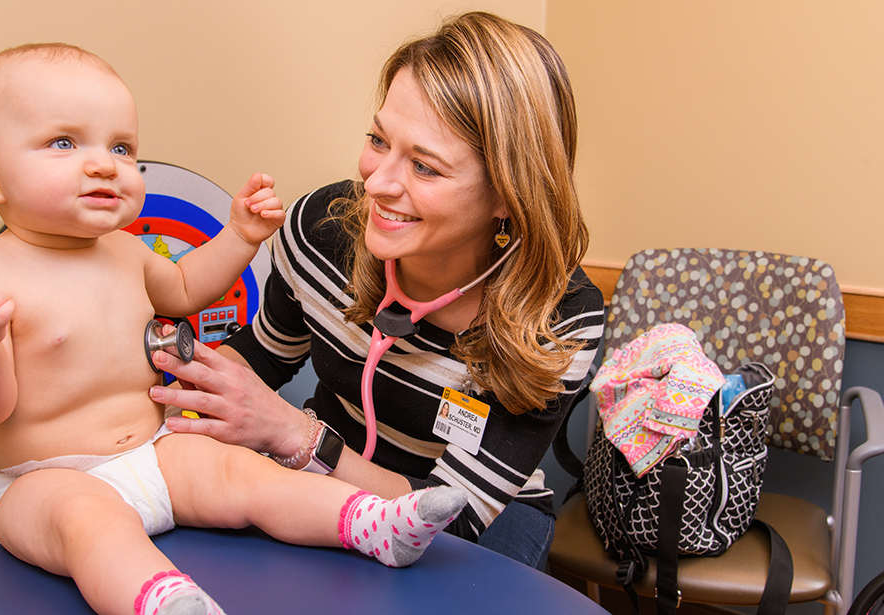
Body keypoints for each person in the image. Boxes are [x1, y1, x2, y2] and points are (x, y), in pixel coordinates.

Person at [0, 43, 466, 615]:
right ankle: (162, 601)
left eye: (121, 147)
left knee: (246, 474)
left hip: (157, 453)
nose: (104, 164)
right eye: (64, 143)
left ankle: (370, 522)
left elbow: (187, 288)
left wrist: (239, 237)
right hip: (42, 480)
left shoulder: (123, 250)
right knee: (88, 524)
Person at [153, 12, 605, 571]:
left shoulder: (559, 319)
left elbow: (455, 518)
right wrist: (163, 391)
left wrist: (296, 435)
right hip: (320, 474)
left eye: (425, 167)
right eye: (378, 140)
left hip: (476, 519)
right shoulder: (321, 230)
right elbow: (263, 357)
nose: (377, 182)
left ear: (508, 195)